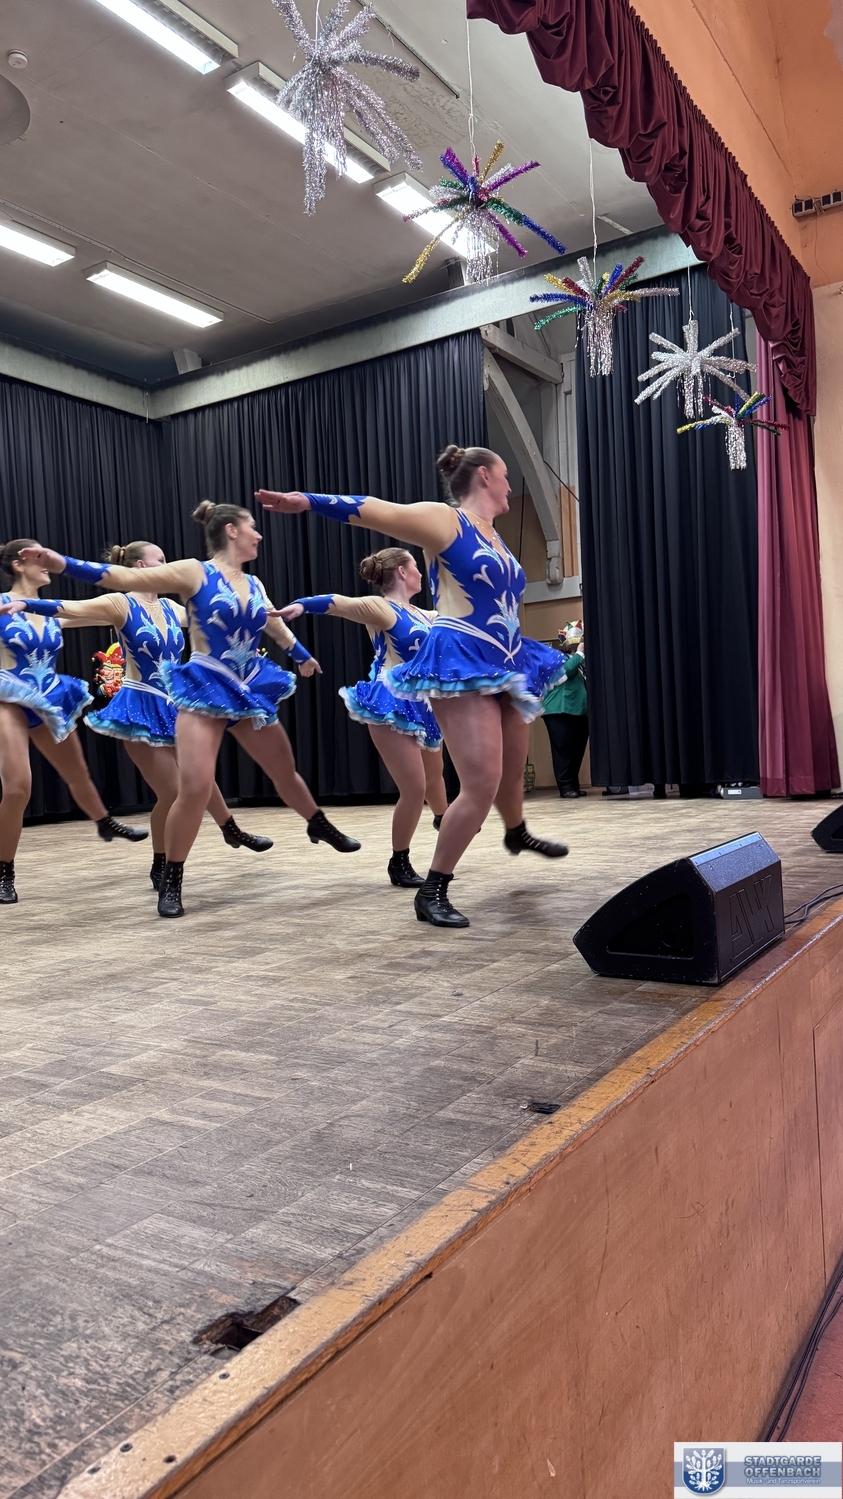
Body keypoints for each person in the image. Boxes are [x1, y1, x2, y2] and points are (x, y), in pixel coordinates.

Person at [255, 444, 568, 930]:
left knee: (510, 772)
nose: (511, 485)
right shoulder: (447, 522)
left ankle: (516, 830)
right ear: (484, 476)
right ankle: (432, 889)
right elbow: (377, 510)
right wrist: (308, 501)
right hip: (461, 661)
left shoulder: (497, 537)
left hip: (505, 660)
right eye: (505, 475)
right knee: (478, 783)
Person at [19, 502, 360, 918]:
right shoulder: (177, 579)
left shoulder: (233, 589)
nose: (259, 534)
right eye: (253, 527)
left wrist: (300, 653)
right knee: (188, 788)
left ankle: (307, 824)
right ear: (231, 530)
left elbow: (263, 621)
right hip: (179, 692)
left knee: (269, 772)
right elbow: (105, 588)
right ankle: (171, 875)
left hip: (234, 688)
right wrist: (50, 576)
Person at [5, 538, 274, 892]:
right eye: (161, 559)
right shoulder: (121, 603)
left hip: (172, 704)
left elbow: (214, 615)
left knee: (197, 776)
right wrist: (27, 605)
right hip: (137, 705)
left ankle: (225, 830)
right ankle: (169, 858)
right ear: (141, 567)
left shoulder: (171, 607)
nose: (168, 565)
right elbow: (72, 609)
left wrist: (252, 609)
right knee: (173, 791)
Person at [277, 547, 448, 888]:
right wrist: (302, 605)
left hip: (425, 703)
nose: (420, 573)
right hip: (391, 700)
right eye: (415, 566)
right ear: (402, 572)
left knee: (434, 776)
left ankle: (445, 820)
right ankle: (399, 861)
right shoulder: (382, 608)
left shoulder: (428, 614)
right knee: (414, 788)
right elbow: (340, 603)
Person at [0, 539, 146, 905]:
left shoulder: (52, 610)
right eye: (39, 557)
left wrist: (138, 599)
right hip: (8, 698)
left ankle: (103, 822)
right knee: (18, 788)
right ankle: (4, 870)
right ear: (19, 564)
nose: (47, 562)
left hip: (49, 696)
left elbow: (107, 613)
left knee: (78, 773)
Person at [541, 622, 588, 799]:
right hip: (559, 710)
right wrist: (580, 653)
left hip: (579, 711)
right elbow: (564, 672)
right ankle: (565, 787)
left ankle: (573, 784)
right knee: (563, 750)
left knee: (577, 750)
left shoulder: (581, 663)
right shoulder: (558, 658)